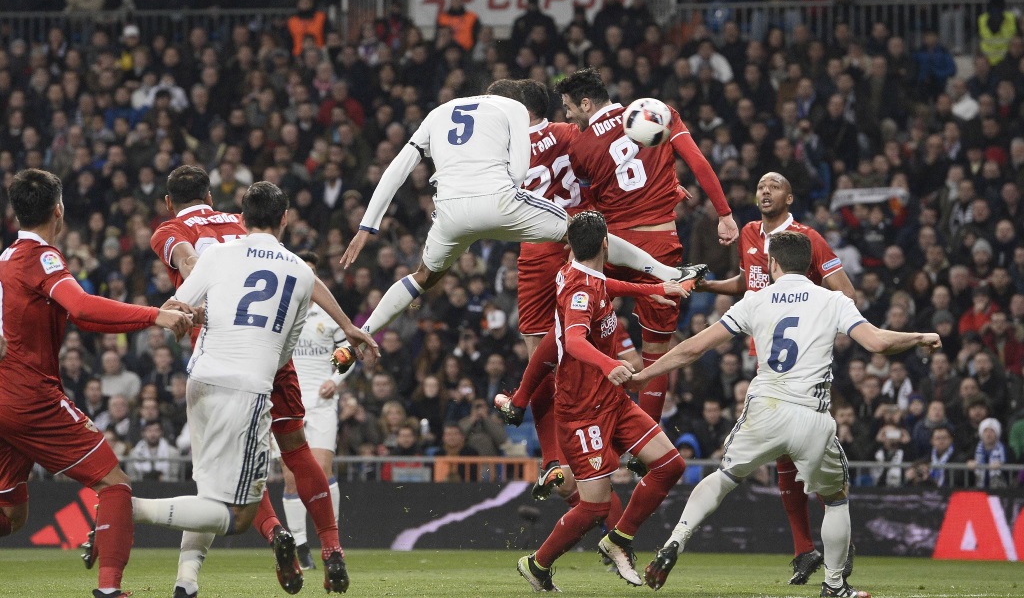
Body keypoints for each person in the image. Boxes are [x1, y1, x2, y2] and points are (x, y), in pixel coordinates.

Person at [635, 231, 940, 597]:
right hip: (811, 413)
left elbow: (692, 349)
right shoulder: (832, 300)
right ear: (810, 265)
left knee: (725, 476)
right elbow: (877, 342)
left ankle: (674, 542)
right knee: (836, 496)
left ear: (772, 263)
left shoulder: (755, 300)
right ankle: (834, 586)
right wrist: (919, 336)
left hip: (765, 407)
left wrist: (643, 375)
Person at [149, 166, 374, 595]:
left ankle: (274, 536)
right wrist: (347, 325)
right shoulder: (242, 223)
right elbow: (306, 278)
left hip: (224, 354)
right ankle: (331, 547)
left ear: (167, 202)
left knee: (229, 473)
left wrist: (189, 304)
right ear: (213, 196)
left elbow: (187, 258)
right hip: (276, 352)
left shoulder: (170, 229)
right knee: (297, 451)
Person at [340, 81, 699, 341]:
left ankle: (363, 332)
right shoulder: (511, 108)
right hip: (500, 202)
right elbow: (518, 171)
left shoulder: (438, 113)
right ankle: (669, 272)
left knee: (422, 276)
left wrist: (367, 227)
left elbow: (396, 170)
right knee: (585, 230)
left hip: (449, 212)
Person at [0, 168, 193, 598]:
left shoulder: (6, 258)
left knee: (12, 515)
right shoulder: (41, 258)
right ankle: (109, 591)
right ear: (59, 211)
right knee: (115, 485)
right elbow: (82, 308)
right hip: (30, 397)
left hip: (3, 397)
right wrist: (154, 315)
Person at [554, 67, 737, 432]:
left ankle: (609, 360)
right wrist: (724, 213)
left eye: (569, 108)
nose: (568, 116)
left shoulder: (580, 144)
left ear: (586, 103)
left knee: (569, 312)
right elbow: (698, 162)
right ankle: (646, 440)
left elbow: (593, 197)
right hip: (659, 243)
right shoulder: (658, 111)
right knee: (657, 352)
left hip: (612, 247)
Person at [698, 171, 857, 584]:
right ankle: (805, 549)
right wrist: (708, 285)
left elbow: (846, 293)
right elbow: (749, 285)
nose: (764, 191)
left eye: (774, 186)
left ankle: (834, 535)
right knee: (785, 453)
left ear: (789, 196)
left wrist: (817, 321)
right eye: (760, 186)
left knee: (810, 452)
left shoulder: (808, 239)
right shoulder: (750, 232)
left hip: (804, 362)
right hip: (765, 358)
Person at [517, 211, 685, 592]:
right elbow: (575, 340)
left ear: (570, 246)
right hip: (581, 411)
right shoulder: (579, 291)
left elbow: (606, 284)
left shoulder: (574, 273)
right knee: (593, 508)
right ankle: (537, 564)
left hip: (612, 400)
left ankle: (619, 540)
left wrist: (657, 289)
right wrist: (611, 364)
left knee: (670, 465)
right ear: (606, 244)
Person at [281, 250, 350, 571]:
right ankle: (300, 545)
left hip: (322, 402)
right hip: (288, 400)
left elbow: (348, 353)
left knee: (321, 471)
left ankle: (330, 544)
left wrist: (336, 380)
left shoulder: (327, 314)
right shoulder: (282, 311)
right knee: (292, 479)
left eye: (312, 272)